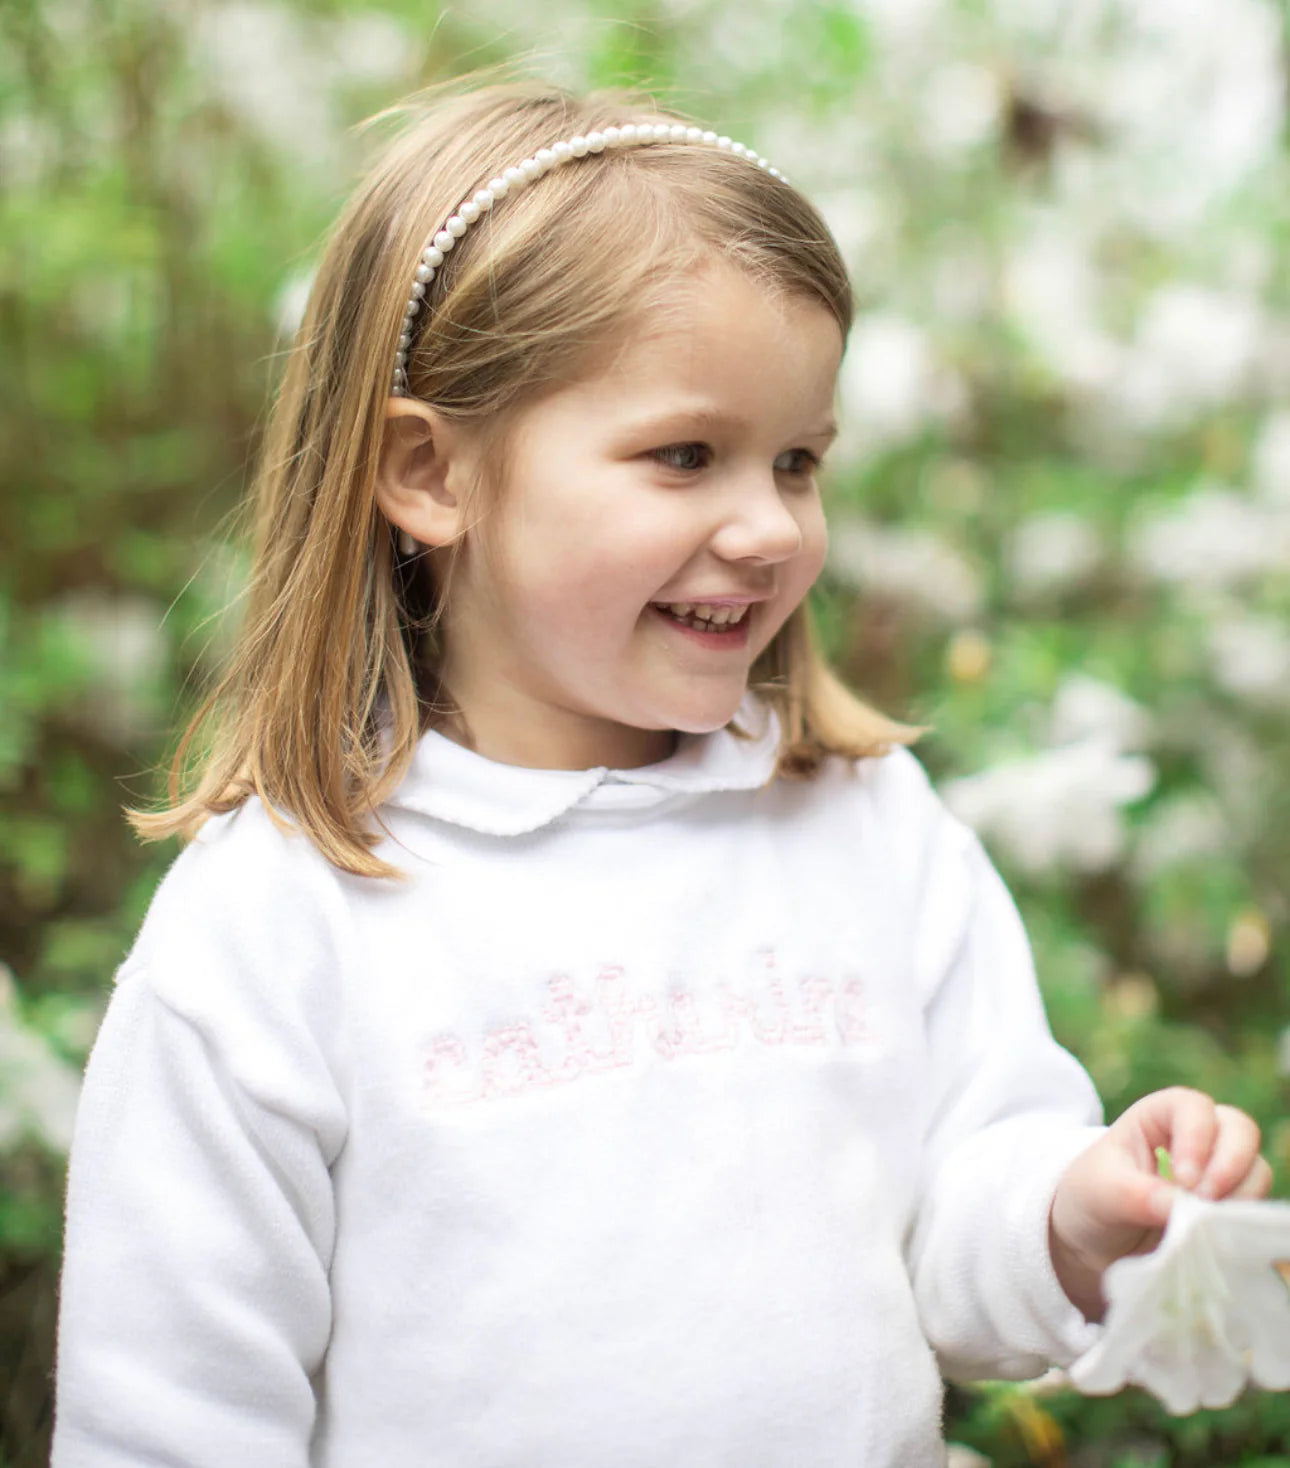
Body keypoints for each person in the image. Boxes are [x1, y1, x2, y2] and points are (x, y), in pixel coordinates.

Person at [51, 80, 1271, 1467]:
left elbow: (953, 1214)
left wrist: (1066, 1213)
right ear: (429, 474)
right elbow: (171, 1416)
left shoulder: (865, 833)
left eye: (797, 460)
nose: (768, 527)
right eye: (684, 456)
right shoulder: (280, 925)